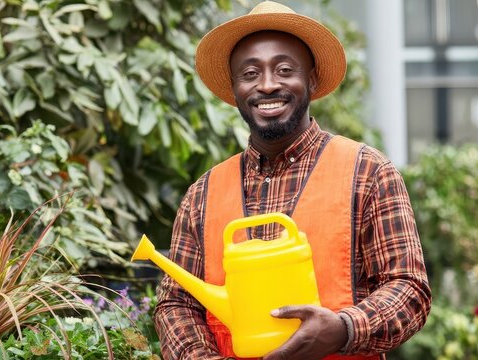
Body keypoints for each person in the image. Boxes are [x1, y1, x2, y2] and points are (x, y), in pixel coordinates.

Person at [153, 1, 432, 360]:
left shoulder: (368, 172)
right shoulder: (202, 195)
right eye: (250, 74)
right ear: (235, 88)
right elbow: (176, 303)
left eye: (284, 69)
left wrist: (343, 329)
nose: (267, 85)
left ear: (311, 79)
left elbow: (409, 290)